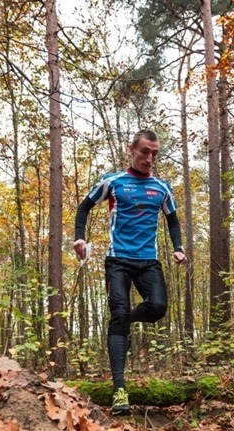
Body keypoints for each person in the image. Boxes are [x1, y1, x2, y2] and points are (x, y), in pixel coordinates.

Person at [73, 129, 187, 415]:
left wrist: (178, 246)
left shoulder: (161, 188)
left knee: (158, 307)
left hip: (148, 260)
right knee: (118, 312)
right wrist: (79, 237)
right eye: (144, 152)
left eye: (154, 153)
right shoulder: (112, 182)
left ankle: (126, 321)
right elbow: (84, 207)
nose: (149, 158)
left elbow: (172, 219)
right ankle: (119, 390)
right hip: (117, 260)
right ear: (131, 150)